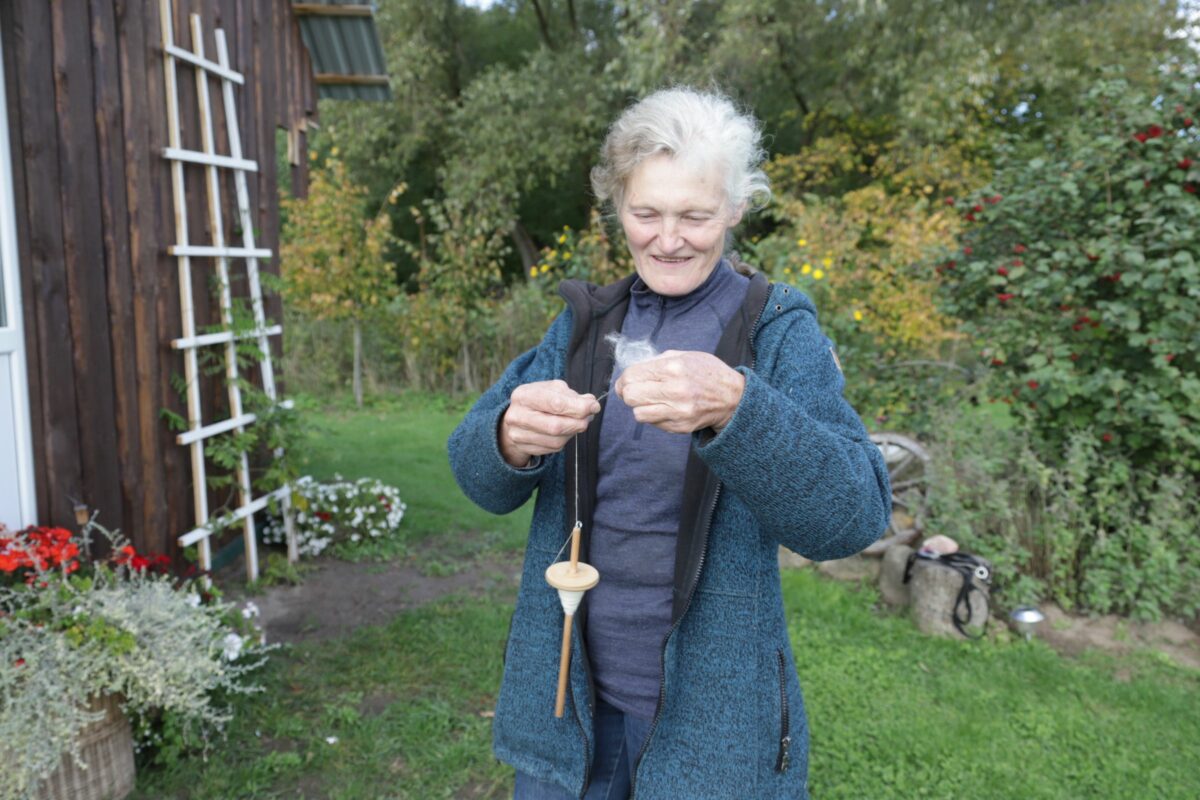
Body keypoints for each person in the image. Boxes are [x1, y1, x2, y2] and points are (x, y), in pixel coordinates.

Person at [448, 87, 891, 800]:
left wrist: (739, 410)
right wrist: (506, 437)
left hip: (712, 730)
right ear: (616, 205)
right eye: (646, 213)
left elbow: (854, 517)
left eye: (696, 215)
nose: (668, 239)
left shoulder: (777, 332)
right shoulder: (584, 325)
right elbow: (476, 476)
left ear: (737, 208)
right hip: (568, 706)